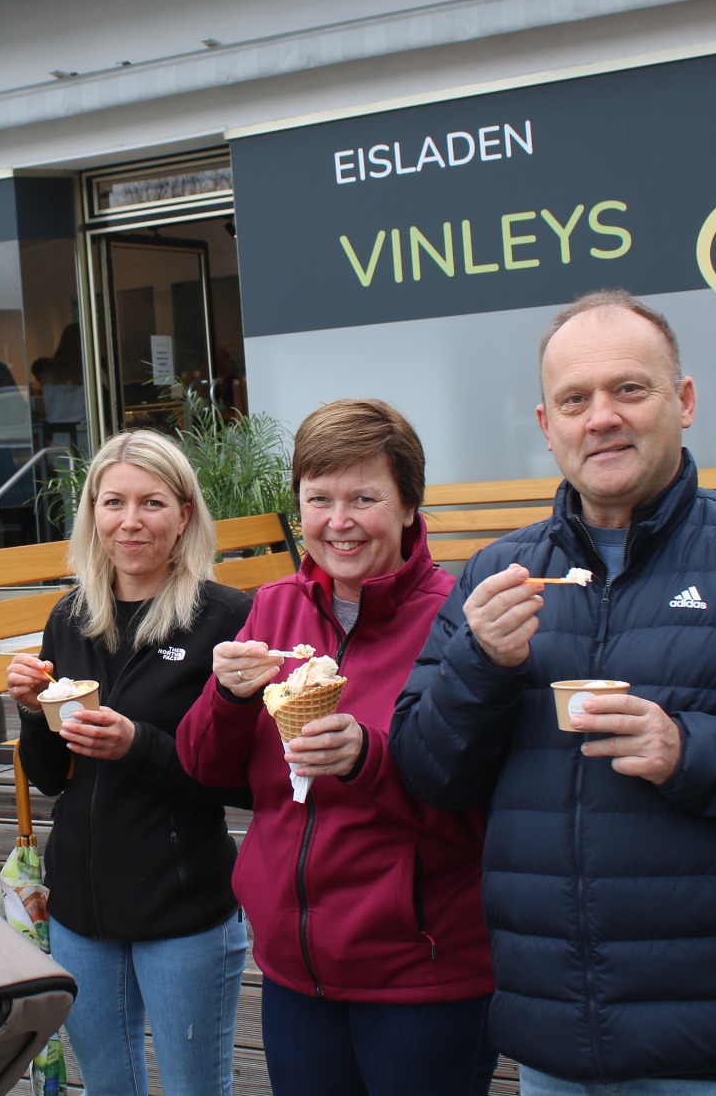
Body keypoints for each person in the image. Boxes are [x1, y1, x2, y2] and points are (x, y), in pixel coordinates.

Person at [390, 289, 716, 1096]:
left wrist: (691, 749)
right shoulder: (497, 574)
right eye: (575, 399)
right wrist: (482, 664)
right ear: (548, 426)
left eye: (628, 389)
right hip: (558, 1047)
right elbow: (429, 775)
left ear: (682, 402)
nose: (600, 416)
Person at [177, 399, 496, 1096]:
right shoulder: (274, 607)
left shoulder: (456, 620)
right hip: (295, 970)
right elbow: (203, 766)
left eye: (364, 497)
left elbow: (483, 806)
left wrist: (368, 758)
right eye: (318, 497)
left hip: (422, 973)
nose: (338, 520)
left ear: (410, 505)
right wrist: (227, 697)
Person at [7, 429, 253, 1096]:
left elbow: (245, 781)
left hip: (183, 909)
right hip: (80, 910)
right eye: (113, 502)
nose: (130, 520)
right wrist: (33, 712)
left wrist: (137, 744)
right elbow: (55, 777)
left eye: (152, 502)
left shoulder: (226, 619)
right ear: (93, 515)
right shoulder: (72, 616)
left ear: (185, 516)